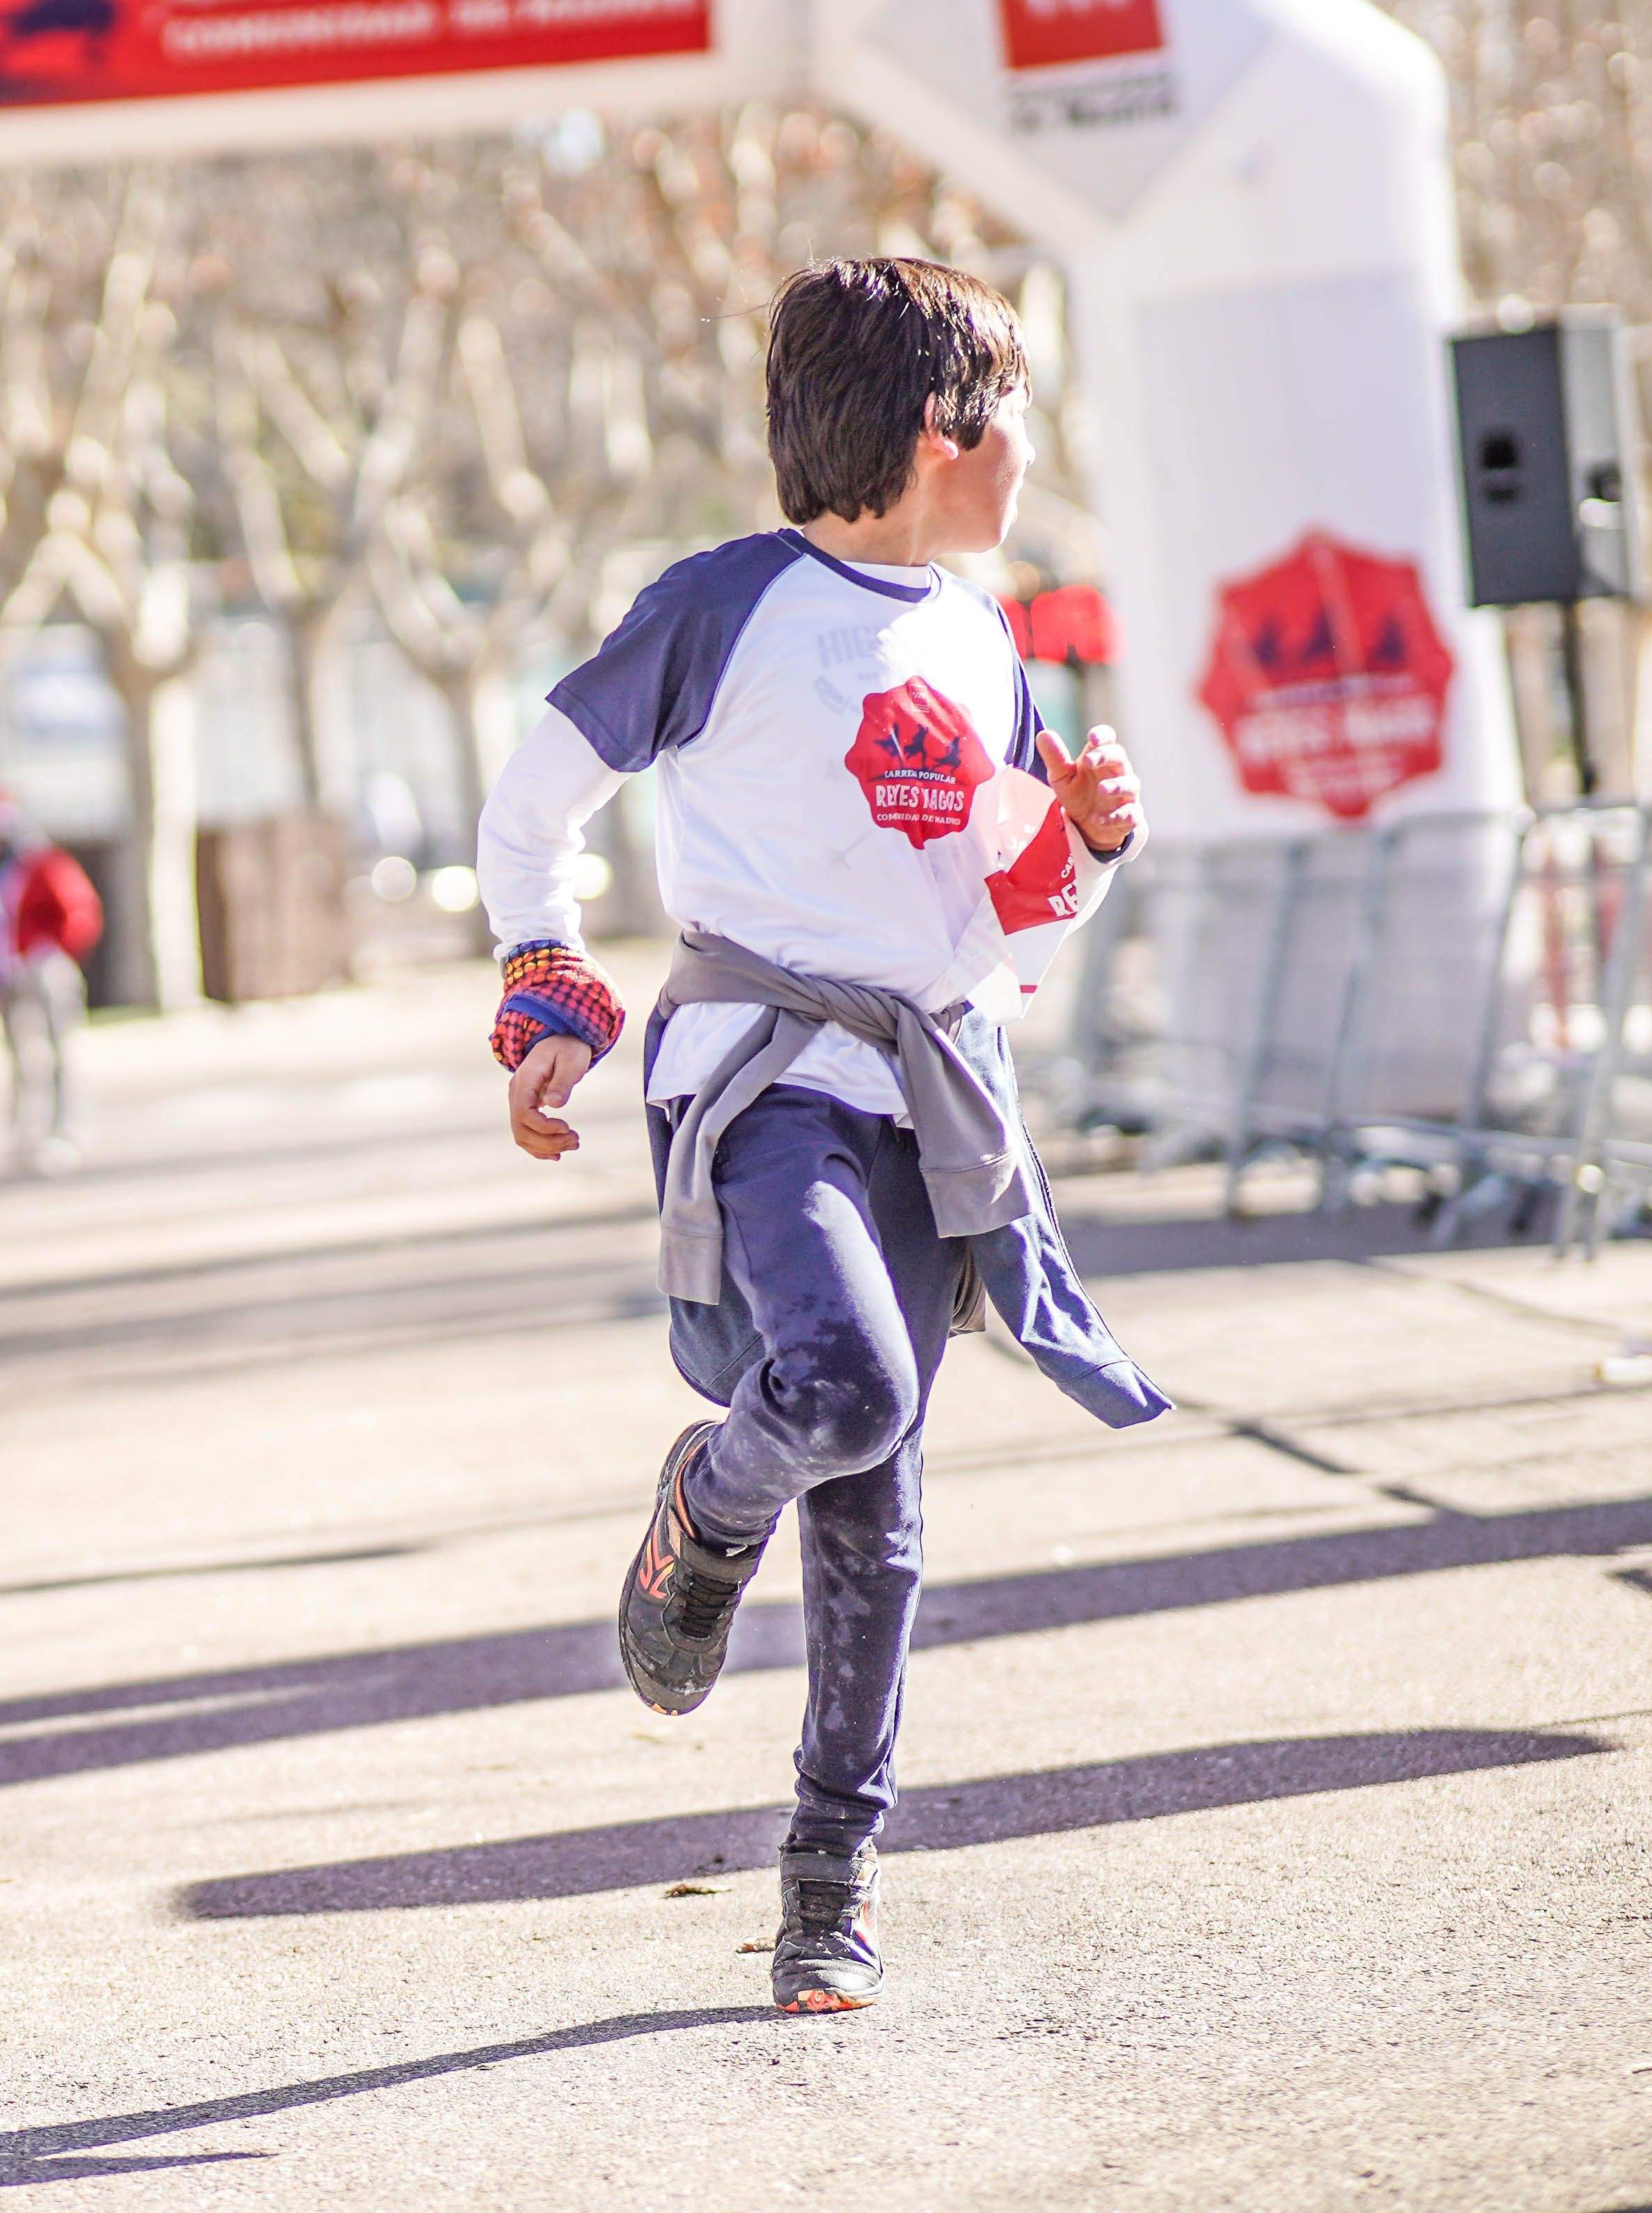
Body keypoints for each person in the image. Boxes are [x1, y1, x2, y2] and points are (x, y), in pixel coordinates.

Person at [476, 257, 1167, 2018]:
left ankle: (826, 1885)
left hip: (930, 1101)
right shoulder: (724, 606)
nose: (1025, 450)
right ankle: (701, 1511)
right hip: (765, 1076)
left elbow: (1007, 911)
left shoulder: (983, 631)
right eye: (1010, 414)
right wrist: (547, 985)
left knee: (883, 1524)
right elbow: (534, 800)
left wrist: (1081, 841)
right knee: (847, 1384)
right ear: (944, 431)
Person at [0, 795, 102, 1169]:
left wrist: (53, 953)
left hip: (43, 970)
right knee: (19, 1058)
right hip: (9, 974)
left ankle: (65, 1130)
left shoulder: (46, 864)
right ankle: (25, 1132)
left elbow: (79, 912)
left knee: (58, 1053)